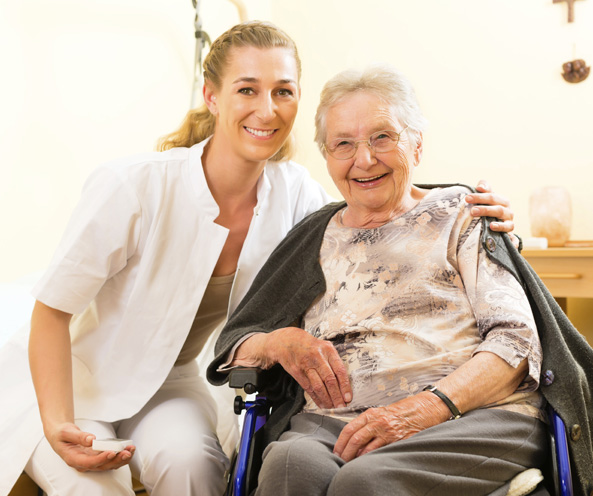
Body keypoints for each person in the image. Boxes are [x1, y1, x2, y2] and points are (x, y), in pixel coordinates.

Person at [0, 22, 517, 496]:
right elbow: (52, 311)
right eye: (247, 89)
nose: (267, 110)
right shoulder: (132, 186)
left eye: (283, 92)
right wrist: (56, 422)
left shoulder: (298, 195)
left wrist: (461, 205)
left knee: (198, 471)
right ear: (211, 96)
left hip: (172, 382)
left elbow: (375, 208)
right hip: (70, 380)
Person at [208, 64, 593, 496]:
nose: (365, 159)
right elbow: (238, 340)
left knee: (366, 483)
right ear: (327, 157)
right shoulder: (313, 234)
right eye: (344, 144)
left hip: (474, 416)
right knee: (287, 467)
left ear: (417, 144)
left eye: (382, 137)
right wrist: (277, 341)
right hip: (333, 421)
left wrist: (428, 407)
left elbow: (517, 341)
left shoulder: (464, 215)